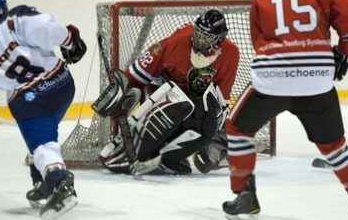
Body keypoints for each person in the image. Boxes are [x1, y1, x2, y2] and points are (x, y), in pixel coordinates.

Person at [220, 0, 348, 220]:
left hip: (272, 79)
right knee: (333, 145)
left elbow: (258, 42)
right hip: (317, 80)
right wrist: (344, 55)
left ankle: (245, 195)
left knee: (237, 128)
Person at [0, 0, 87, 219]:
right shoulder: (16, 18)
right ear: (2, 6)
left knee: (41, 142)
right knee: (43, 136)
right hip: (62, 84)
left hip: (32, 100)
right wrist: (71, 41)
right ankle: (41, 177)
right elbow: (47, 28)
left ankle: (58, 181)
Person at [94, 9, 240, 175]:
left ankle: (167, 159)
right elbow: (136, 73)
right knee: (176, 99)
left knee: (208, 126)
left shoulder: (230, 54)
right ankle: (133, 150)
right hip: (160, 97)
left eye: (205, 36)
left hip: (192, 107)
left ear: (219, 38)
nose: (199, 39)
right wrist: (126, 91)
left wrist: (212, 132)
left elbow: (220, 103)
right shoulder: (176, 41)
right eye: (198, 32)